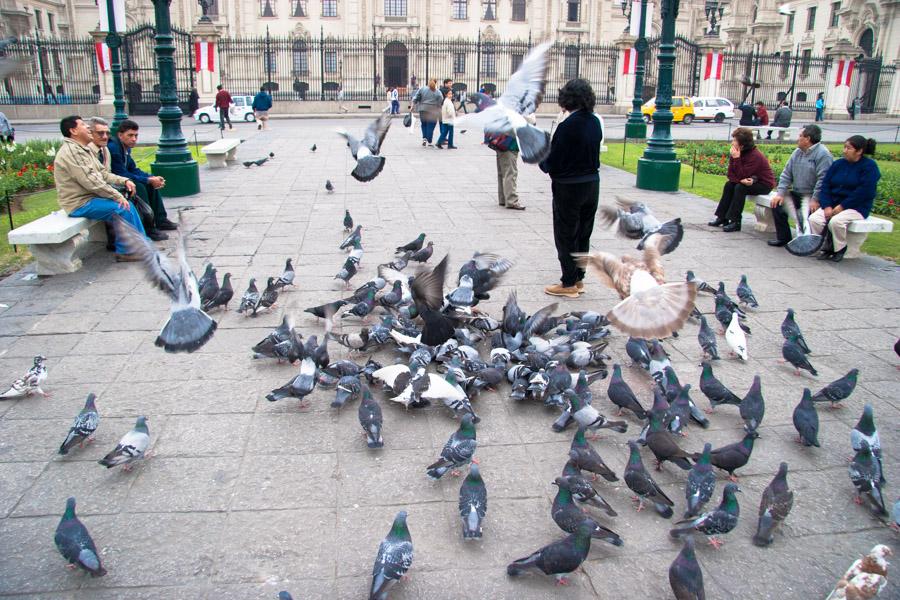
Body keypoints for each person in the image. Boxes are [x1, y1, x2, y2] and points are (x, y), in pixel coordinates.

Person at [538, 79, 602, 298]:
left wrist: (541, 157)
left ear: (566, 99)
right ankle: (578, 278)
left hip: (569, 187)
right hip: (592, 184)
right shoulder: (594, 121)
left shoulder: (567, 126)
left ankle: (568, 283)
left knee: (566, 234)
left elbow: (552, 161)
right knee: (584, 232)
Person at [52, 116, 145, 262]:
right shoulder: (72, 152)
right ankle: (127, 251)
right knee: (122, 208)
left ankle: (142, 246)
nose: (88, 128)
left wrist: (125, 180)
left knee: (128, 204)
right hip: (79, 203)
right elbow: (91, 182)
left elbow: (102, 174)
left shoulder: (82, 149)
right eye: (83, 125)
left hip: (90, 197)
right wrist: (117, 196)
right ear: (73, 130)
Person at [809, 135, 881, 262]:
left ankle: (839, 248)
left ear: (859, 151)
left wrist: (842, 206)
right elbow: (825, 186)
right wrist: (827, 206)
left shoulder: (869, 167)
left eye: (849, 148)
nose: (845, 151)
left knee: (836, 222)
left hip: (856, 206)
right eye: (844, 147)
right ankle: (824, 245)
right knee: (815, 219)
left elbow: (864, 191)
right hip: (833, 203)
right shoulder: (838, 164)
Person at [108, 119, 177, 241]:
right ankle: (149, 228)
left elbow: (133, 169)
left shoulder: (126, 148)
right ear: (120, 135)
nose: (134, 139)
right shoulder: (114, 148)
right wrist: (147, 180)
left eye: (136, 135)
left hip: (123, 180)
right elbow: (122, 174)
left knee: (149, 184)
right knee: (140, 186)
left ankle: (161, 220)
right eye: (130, 135)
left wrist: (150, 178)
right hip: (114, 183)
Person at [768, 124, 834, 247]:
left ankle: (812, 242)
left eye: (800, 136)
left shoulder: (823, 155)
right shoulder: (797, 152)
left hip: (811, 196)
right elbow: (786, 174)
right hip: (798, 192)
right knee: (777, 204)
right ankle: (783, 238)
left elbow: (823, 180)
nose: (797, 138)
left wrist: (815, 199)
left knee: (807, 214)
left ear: (807, 139)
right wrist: (780, 194)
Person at [708, 127, 775, 232]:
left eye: (735, 140)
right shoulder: (737, 152)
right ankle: (722, 217)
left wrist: (737, 159)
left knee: (740, 188)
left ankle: (736, 221)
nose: (732, 142)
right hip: (749, 180)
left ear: (742, 144)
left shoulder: (755, 155)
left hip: (763, 184)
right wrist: (736, 159)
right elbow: (731, 174)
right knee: (729, 185)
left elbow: (743, 174)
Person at [411, 78, 442, 147]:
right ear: (436, 83)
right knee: (431, 125)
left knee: (424, 124)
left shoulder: (422, 89)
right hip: (433, 110)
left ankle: (424, 138)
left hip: (422, 109)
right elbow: (440, 100)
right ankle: (430, 141)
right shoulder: (437, 91)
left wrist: (412, 106)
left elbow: (416, 97)